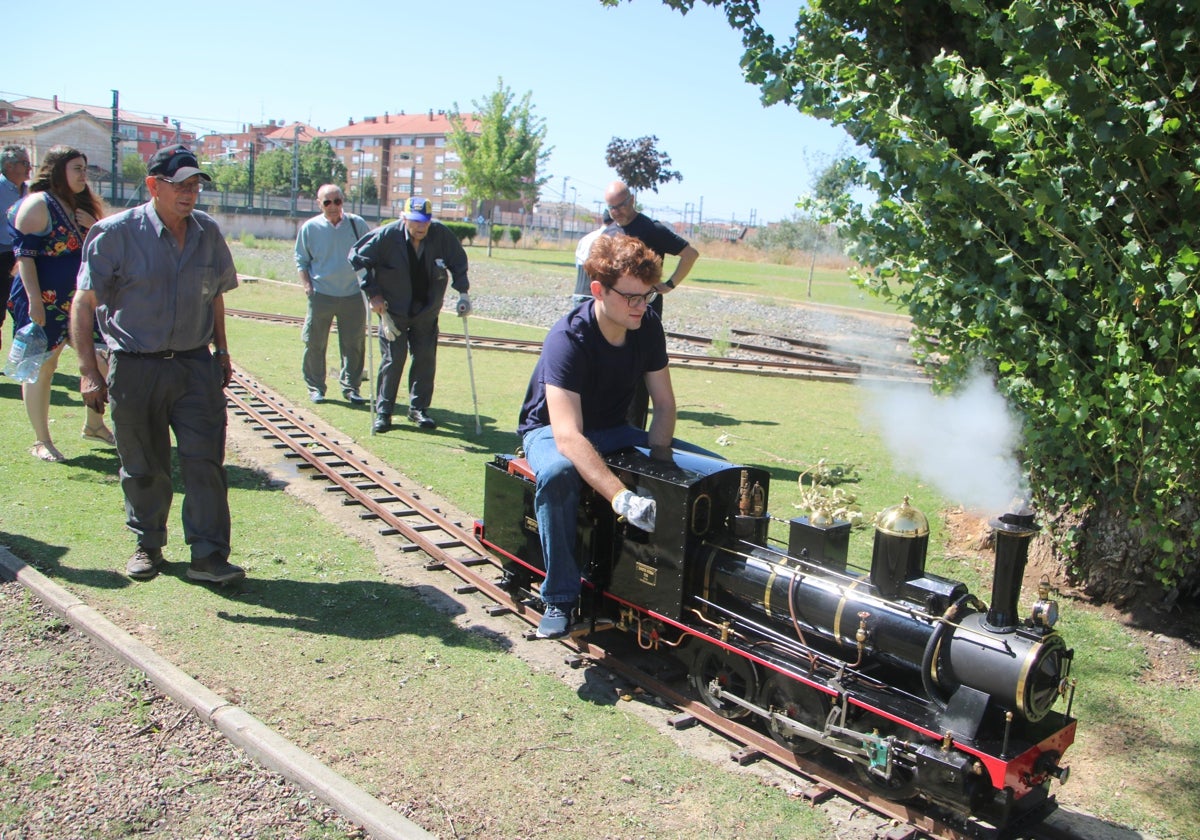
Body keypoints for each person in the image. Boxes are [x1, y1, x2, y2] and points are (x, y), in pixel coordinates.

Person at [516, 234, 710, 639]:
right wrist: (622, 498)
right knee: (557, 474)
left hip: (614, 429)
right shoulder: (568, 338)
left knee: (703, 466)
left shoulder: (647, 326)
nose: (641, 307)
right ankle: (560, 598)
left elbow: (665, 405)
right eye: (632, 298)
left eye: (647, 297)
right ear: (598, 291)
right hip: (551, 430)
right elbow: (568, 436)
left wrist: (661, 466)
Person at [71, 144, 245, 585]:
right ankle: (148, 545)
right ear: (153, 186)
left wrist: (222, 352)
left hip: (193, 366)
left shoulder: (207, 231)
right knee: (143, 463)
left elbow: (215, 296)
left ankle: (208, 555)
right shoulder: (115, 233)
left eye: (194, 186)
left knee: (205, 461)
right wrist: (89, 370)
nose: (190, 194)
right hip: (135, 366)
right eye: (180, 185)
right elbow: (84, 302)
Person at [8, 146, 113, 461]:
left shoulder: (77, 206)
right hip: (44, 299)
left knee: (101, 358)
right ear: (57, 171)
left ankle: (94, 425)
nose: (84, 175)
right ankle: (42, 440)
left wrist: (91, 225)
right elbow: (24, 258)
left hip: (79, 301)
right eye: (77, 169)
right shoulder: (38, 204)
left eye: (84, 169)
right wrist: (34, 302)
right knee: (42, 367)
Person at [349, 196, 471, 433]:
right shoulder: (386, 235)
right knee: (394, 359)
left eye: (425, 221)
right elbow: (357, 258)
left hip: (427, 309)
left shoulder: (440, 234)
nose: (421, 226)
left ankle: (419, 409)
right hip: (392, 311)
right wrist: (372, 293)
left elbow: (458, 261)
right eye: (415, 221)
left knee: (425, 359)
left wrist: (463, 293)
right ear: (403, 218)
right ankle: (384, 413)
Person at [603, 180, 700, 428]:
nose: (616, 212)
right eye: (611, 207)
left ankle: (635, 438)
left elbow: (690, 254)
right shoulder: (609, 234)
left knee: (638, 379)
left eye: (620, 205)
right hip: (613, 321)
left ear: (632, 200)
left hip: (643, 318)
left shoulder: (651, 229)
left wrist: (669, 284)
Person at [295, 184, 369, 404]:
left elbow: (370, 254)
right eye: (327, 202)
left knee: (354, 344)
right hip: (321, 294)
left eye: (337, 201)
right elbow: (301, 260)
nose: (333, 206)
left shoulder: (357, 224)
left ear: (343, 201)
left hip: (353, 295)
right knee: (315, 343)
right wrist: (308, 286)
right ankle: (315, 387)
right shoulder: (310, 228)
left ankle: (351, 387)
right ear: (319, 204)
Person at [1, 145, 31, 341]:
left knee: (23, 307)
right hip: (2, 255)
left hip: (23, 257)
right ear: (9, 166)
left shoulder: (29, 191)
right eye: (25, 163)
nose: (30, 168)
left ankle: (20, 360)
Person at [571, 210, 618, 306]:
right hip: (596, 295)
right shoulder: (610, 237)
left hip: (579, 292)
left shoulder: (586, 238)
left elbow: (578, 263)